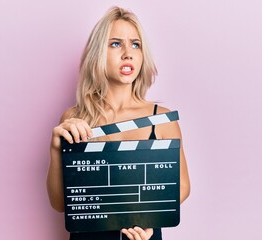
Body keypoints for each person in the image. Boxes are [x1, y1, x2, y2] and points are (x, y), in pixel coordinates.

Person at [47, 6, 190, 240]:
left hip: (142, 235)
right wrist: (55, 147)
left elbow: (182, 186)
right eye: (115, 44)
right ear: (98, 53)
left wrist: (152, 218)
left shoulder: (161, 119)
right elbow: (60, 203)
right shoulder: (76, 119)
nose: (127, 53)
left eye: (136, 44)